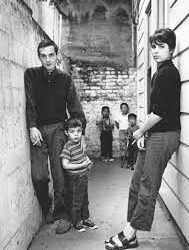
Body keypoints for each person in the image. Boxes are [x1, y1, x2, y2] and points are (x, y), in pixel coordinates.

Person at [105, 28, 181, 249]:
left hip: (165, 135)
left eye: (161, 47)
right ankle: (132, 232)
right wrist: (145, 133)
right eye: (154, 47)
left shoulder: (169, 74)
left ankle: (129, 234)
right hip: (154, 133)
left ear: (172, 49)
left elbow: (160, 113)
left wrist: (139, 131)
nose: (156, 51)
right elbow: (153, 110)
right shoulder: (158, 73)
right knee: (136, 183)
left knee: (147, 186)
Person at [24, 39, 86, 234]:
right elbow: (30, 103)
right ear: (39, 56)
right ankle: (46, 205)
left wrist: (80, 133)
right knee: (39, 176)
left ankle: (64, 215)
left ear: (57, 55)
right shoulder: (31, 75)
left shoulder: (65, 79)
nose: (48, 59)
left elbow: (74, 107)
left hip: (59, 129)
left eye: (51, 55)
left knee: (60, 175)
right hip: (38, 131)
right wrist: (32, 126)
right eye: (43, 55)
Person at [60, 118, 98, 232]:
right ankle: (76, 222)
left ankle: (86, 219)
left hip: (83, 177)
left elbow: (84, 155)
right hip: (74, 179)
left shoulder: (80, 144)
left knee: (85, 200)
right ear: (66, 133)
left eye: (78, 131)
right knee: (76, 201)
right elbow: (65, 165)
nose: (76, 134)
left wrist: (88, 162)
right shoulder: (67, 148)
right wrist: (82, 165)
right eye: (72, 132)